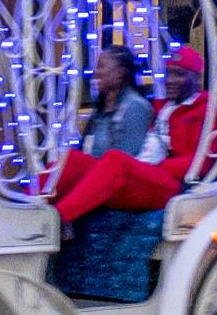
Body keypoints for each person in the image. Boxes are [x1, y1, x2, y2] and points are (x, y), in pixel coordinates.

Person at [48, 44, 180, 222]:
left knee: (114, 159)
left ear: (120, 72)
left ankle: (59, 218)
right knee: (69, 159)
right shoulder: (101, 109)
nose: (96, 73)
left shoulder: (135, 106)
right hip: (103, 173)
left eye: (102, 66)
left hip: (128, 179)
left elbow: (126, 161)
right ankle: (31, 205)